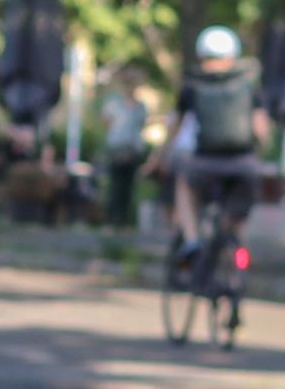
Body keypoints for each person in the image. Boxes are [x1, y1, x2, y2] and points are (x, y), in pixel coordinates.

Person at [167, 26, 267, 256]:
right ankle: (238, 259)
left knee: (184, 186)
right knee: (236, 218)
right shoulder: (249, 84)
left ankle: (192, 240)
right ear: (232, 55)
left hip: (205, 161)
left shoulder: (193, 85)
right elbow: (261, 129)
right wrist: (257, 154)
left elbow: (176, 125)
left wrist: (165, 153)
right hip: (244, 164)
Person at [98, 67, 151, 231]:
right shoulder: (114, 103)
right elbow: (106, 123)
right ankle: (111, 220)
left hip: (133, 149)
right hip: (117, 147)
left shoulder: (140, 106)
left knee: (128, 186)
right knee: (115, 185)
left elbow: (142, 125)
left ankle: (124, 221)